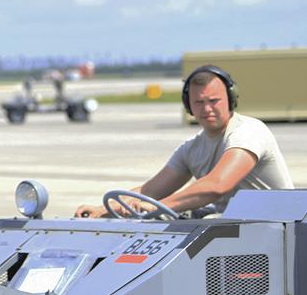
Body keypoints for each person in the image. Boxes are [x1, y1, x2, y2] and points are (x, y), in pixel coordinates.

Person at [75, 65, 293, 218]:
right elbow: (150, 190)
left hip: (278, 230)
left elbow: (217, 185)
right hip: (239, 229)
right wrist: (105, 209)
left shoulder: (248, 132)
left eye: (214, 101)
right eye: (198, 102)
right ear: (188, 106)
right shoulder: (192, 148)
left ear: (231, 99)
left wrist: (156, 207)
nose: (207, 109)